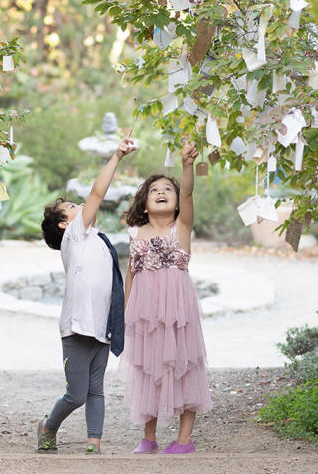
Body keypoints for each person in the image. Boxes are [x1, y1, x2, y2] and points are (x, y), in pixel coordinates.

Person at [36, 131, 137, 455]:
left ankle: (94, 443)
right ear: (65, 225)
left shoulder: (98, 237)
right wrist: (117, 156)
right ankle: (49, 426)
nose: (80, 205)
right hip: (77, 327)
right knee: (76, 394)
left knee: (96, 391)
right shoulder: (74, 238)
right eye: (71, 207)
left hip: (101, 326)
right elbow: (97, 191)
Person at [122, 140, 212, 454]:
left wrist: (187, 165)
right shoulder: (134, 233)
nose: (162, 192)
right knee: (148, 367)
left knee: (185, 366)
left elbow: (187, 192)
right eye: (155, 190)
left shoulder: (182, 227)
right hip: (146, 314)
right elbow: (131, 273)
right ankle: (149, 438)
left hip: (178, 310)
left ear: (175, 203)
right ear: (145, 204)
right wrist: (126, 315)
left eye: (168, 190)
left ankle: (184, 440)